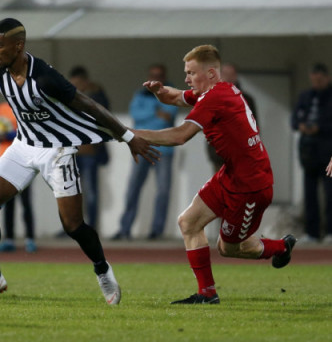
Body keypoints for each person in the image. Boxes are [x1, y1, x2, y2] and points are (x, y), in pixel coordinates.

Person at [0, 18, 159, 305]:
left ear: (18, 45)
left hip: (57, 150)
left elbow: (89, 105)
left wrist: (127, 136)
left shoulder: (45, 77)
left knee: (73, 226)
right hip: (23, 146)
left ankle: (102, 269)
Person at [135, 44, 295, 304]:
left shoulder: (214, 98)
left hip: (250, 185)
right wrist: (160, 92)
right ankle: (207, 293)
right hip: (231, 174)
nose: (187, 78)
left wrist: (131, 134)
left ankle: (281, 247)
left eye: (191, 73)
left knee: (228, 248)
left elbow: (179, 136)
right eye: (186, 73)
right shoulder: (218, 90)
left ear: (210, 73)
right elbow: (176, 97)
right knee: (188, 222)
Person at [113, 64, 177, 240]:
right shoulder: (139, 94)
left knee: (163, 191)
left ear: (164, 77)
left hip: (164, 149)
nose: (155, 78)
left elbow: (167, 118)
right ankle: (125, 229)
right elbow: (136, 114)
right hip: (142, 147)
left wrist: (150, 114)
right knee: (133, 188)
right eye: (153, 75)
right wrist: (156, 111)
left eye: (159, 75)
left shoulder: (171, 93)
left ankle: (157, 230)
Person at [291, 63, 332, 244]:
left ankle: (330, 231)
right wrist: (301, 126)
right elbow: (294, 119)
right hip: (308, 154)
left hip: (328, 153)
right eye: (314, 79)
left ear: (327, 78)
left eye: (320, 80)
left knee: (330, 195)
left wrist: (319, 128)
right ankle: (312, 233)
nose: (317, 83)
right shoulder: (305, 96)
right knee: (310, 195)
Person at [68, 66, 111, 231]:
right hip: (72, 153)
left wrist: (98, 91)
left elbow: (105, 115)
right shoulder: (68, 97)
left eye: (79, 83)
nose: (76, 86)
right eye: (73, 83)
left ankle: (91, 227)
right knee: (70, 192)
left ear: (85, 82)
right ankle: (72, 226)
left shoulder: (95, 98)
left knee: (91, 192)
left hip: (89, 153)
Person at [0, 102, 37, 253]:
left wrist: (11, 134)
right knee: (7, 202)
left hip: (24, 160)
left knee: (25, 202)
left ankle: (30, 238)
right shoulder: (1, 107)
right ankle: (9, 239)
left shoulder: (25, 106)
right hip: (4, 159)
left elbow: (30, 132)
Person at [207, 63, 258, 172]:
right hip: (219, 155)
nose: (228, 78)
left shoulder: (247, 100)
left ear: (235, 76)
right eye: (225, 74)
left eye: (231, 74)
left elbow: (254, 128)